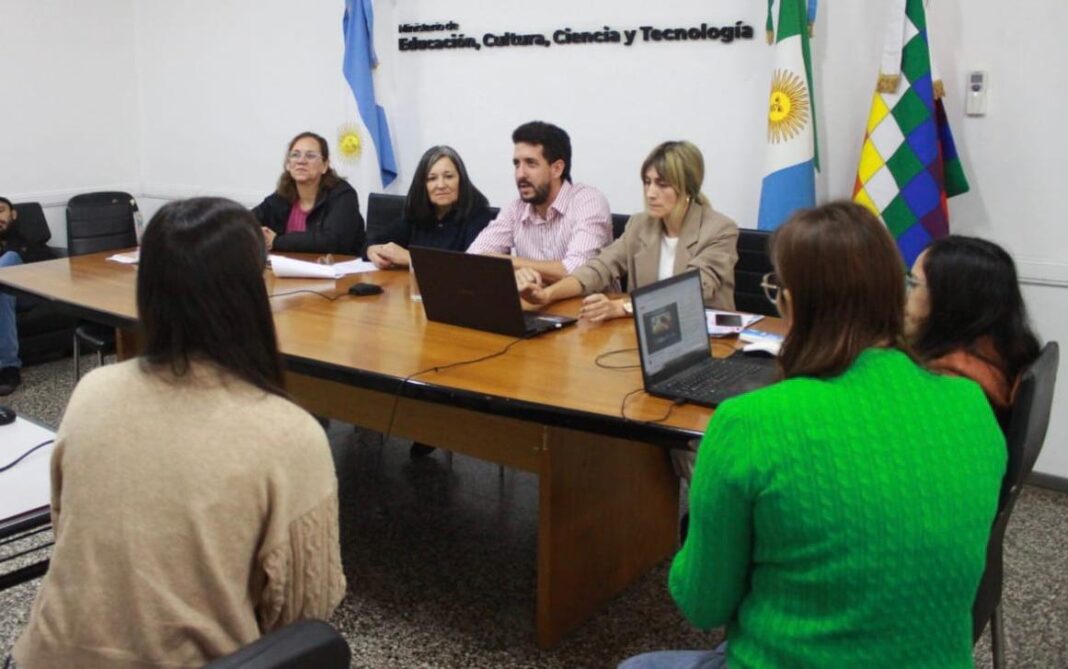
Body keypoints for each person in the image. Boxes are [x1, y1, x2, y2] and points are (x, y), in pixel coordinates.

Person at [620, 202, 1005, 669]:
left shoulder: (747, 423)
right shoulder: (972, 404)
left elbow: (702, 605)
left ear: (792, 303)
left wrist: (705, 517)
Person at [14, 198, 346, 669]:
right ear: (254, 291)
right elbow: (306, 611)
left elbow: (65, 523)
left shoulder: (93, 391)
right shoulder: (290, 434)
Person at [518, 141, 738, 321]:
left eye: (662, 184)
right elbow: (598, 268)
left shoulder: (720, 230)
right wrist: (547, 294)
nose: (650, 193)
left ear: (687, 189)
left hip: (704, 336)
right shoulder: (639, 225)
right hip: (648, 333)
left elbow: (689, 291)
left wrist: (622, 307)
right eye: (647, 182)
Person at [906, 235, 1041, 425]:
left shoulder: (950, 382)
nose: (903, 295)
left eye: (913, 284)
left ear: (950, 301)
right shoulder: (1003, 349)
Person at [466, 121, 612, 283]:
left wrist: (511, 263)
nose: (520, 174)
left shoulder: (588, 202)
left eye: (531, 163)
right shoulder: (516, 208)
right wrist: (513, 272)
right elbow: (473, 257)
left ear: (557, 169)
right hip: (534, 299)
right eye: (517, 164)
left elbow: (578, 270)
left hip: (590, 299)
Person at [365, 145, 492, 268]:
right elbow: (373, 241)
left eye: (448, 176)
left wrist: (411, 259)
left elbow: (472, 265)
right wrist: (371, 250)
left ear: (461, 180)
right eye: (432, 178)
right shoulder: (417, 214)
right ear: (423, 185)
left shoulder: (479, 215)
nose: (441, 185)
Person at [253, 131, 365, 254]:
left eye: (310, 156)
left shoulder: (343, 195)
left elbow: (333, 242)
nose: (301, 161)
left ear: (325, 165)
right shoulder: (282, 196)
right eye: (295, 155)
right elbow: (245, 220)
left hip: (335, 265)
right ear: (288, 164)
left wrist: (277, 241)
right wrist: (259, 232)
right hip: (288, 265)